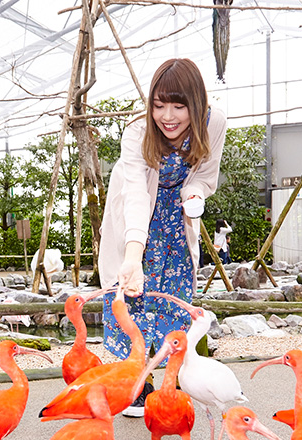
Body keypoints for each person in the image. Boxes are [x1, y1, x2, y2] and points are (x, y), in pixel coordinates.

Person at [98, 58, 227, 417]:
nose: (167, 116)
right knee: (133, 299)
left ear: (196, 103)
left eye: (178, 106)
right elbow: (137, 197)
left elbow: (207, 174)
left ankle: (171, 379)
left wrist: (195, 193)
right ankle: (138, 382)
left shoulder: (214, 122)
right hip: (136, 221)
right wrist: (131, 255)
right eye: (158, 105)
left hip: (176, 222)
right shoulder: (137, 133)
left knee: (173, 298)